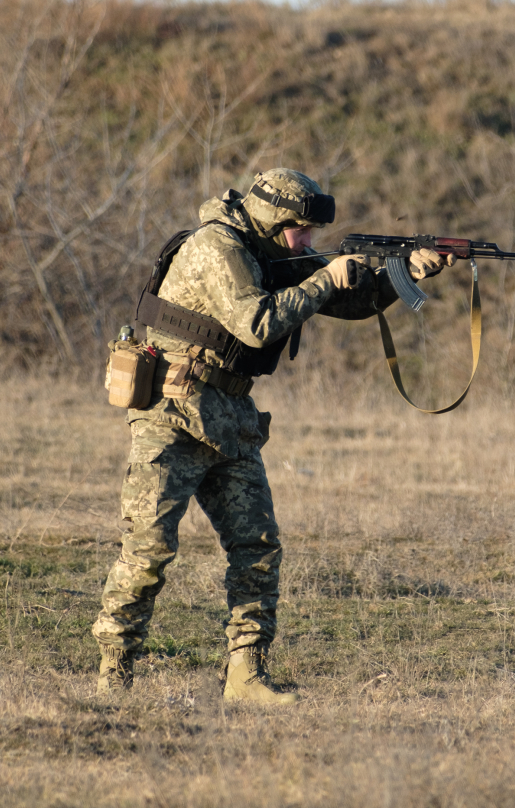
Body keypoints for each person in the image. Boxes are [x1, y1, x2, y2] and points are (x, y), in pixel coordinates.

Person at [91, 168, 453, 703]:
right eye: (301, 231)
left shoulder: (271, 251)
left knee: (257, 548)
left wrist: (410, 272)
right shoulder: (217, 247)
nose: (308, 243)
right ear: (274, 219)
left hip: (231, 417)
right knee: (149, 548)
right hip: (173, 413)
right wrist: (325, 278)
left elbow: (350, 302)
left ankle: (247, 675)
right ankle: (115, 669)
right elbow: (256, 323)